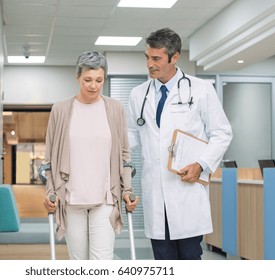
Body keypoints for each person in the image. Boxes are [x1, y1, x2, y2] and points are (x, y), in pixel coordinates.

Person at [127, 28, 232, 260]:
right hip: (156, 190)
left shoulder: (201, 89)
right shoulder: (138, 94)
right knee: (163, 260)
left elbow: (222, 132)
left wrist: (202, 164)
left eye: (156, 58)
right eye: (147, 57)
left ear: (174, 57)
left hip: (186, 187)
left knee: (189, 259)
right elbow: (132, 134)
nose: (149, 64)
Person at [43, 51, 138, 260]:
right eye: (87, 80)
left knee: (101, 261)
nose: (93, 86)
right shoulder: (60, 110)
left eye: (99, 80)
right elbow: (49, 159)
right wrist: (50, 191)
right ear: (77, 77)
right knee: (78, 262)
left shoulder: (114, 108)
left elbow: (124, 154)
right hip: (70, 196)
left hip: (105, 197)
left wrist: (127, 189)